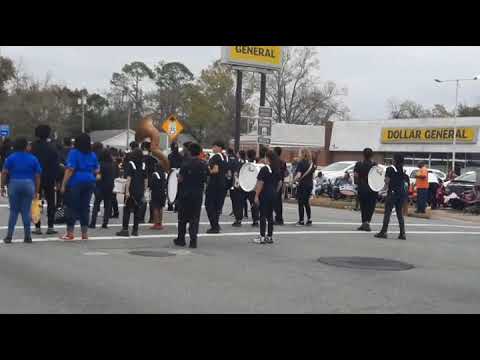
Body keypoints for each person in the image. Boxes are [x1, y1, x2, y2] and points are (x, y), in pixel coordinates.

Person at [1, 138, 42, 243]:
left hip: (14, 183)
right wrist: (37, 190)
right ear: (25, 147)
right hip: (29, 184)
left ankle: (9, 236)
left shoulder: (10, 158)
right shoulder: (33, 158)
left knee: (14, 211)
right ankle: (27, 236)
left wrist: (2, 186)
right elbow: (37, 176)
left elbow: (4, 173)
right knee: (25, 211)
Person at [60, 133, 99, 241]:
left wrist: (63, 184)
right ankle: (84, 233)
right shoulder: (92, 154)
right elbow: (96, 170)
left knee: (72, 207)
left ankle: (70, 233)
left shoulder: (74, 153)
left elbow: (70, 169)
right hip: (90, 181)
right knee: (85, 207)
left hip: (76, 181)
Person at [174, 143, 208, 248]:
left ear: (190, 152)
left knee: (182, 218)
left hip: (185, 194)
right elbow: (206, 179)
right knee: (194, 218)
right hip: (197, 195)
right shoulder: (203, 164)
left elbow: (180, 179)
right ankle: (193, 241)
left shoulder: (185, 164)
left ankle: (181, 239)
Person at [30, 125, 61, 235]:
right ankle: (50, 226)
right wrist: (58, 180)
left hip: (36, 177)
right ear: (48, 133)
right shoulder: (52, 147)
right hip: (50, 177)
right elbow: (56, 165)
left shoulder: (32, 147)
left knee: (36, 200)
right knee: (51, 201)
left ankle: (37, 227)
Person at [374, 154, 409, 240]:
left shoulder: (390, 169)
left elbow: (387, 181)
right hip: (401, 193)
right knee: (399, 213)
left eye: (393, 158)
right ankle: (402, 233)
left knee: (388, 212)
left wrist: (382, 190)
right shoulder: (402, 169)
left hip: (392, 193)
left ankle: (384, 231)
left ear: (395, 160)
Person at [116, 149, 147, 237]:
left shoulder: (131, 164)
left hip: (132, 190)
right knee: (137, 210)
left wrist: (127, 191)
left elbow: (129, 179)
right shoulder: (144, 165)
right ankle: (135, 230)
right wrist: (144, 191)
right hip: (140, 191)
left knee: (127, 210)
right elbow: (146, 179)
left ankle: (125, 230)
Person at [253, 150, 281, 244]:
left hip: (264, 193)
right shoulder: (277, 169)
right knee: (270, 216)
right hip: (273, 193)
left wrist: (256, 195)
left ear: (267, 158)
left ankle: (261, 237)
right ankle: (269, 236)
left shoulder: (264, 169)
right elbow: (280, 183)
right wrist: (275, 191)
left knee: (263, 215)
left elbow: (260, 183)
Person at [89, 149, 115, 229]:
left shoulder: (99, 164)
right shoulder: (112, 165)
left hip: (100, 186)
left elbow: (98, 177)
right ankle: (105, 223)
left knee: (96, 204)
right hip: (110, 186)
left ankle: (93, 223)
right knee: (107, 205)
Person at [353, 148, 378, 232]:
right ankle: (367, 223)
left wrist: (357, 183)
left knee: (363, 206)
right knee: (370, 206)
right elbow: (378, 177)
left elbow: (355, 175)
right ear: (372, 155)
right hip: (373, 188)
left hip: (362, 187)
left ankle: (364, 223)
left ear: (363, 155)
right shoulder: (374, 165)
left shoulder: (359, 164)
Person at [205, 140, 227, 234]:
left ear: (219, 147)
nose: (213, 148)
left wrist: (206, 169)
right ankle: (216, 225)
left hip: (214, 184)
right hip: (222, 183)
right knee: (217, 206)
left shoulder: (216, 157)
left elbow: (215, 170)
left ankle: (214, 226)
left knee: (209, 205)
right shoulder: (224, 157)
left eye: (214, 146)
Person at [295, 148, 316, 226]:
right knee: (306, 202)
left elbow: (298, 175)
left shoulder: (301, 163)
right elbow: (313, 176)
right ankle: (309, 219)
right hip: (309, 184)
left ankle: (301, 220)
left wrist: (294, 181)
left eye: (300, 153)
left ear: (303, 154)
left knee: (301, 203)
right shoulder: (312, 164)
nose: (299, 154)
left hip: (303, 185)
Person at [149, 161, 167, 230]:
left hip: (156, 193)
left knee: (155, 208)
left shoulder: (155, 174)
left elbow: (151, 184)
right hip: (163, 193)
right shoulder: (165, 174)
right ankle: (160, 223)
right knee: (161, 208)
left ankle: (156, 224)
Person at [167, 141, 183, 211]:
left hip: (171, 172)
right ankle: (177, 206)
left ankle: (170, 205)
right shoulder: (181, 156)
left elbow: (168, 165)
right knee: (178, 189)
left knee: (170, 189)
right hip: (178, 173)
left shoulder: (170, 155)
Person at [273, 147, 287, 226]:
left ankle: (279, 218)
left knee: (276, 202)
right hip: (281, 181)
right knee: (278, 202)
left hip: (275, 183)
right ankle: (279, 218)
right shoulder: (283, 162)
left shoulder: (275, 161)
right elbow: (284, 173)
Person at [246, 149, 260, 226]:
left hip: (251, 186)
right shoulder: (258, 162)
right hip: (258, 185)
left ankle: (255, 220)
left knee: (253, 203)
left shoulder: (248, 164)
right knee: (256, 203)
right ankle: (257, 218)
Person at [238, 150, 249, 219]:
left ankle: (242, 213)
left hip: (242, 182)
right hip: (246, 182)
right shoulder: (247, 162)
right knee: (245, 199)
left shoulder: (240, 162)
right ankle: (245, 213)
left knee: (242, 199)